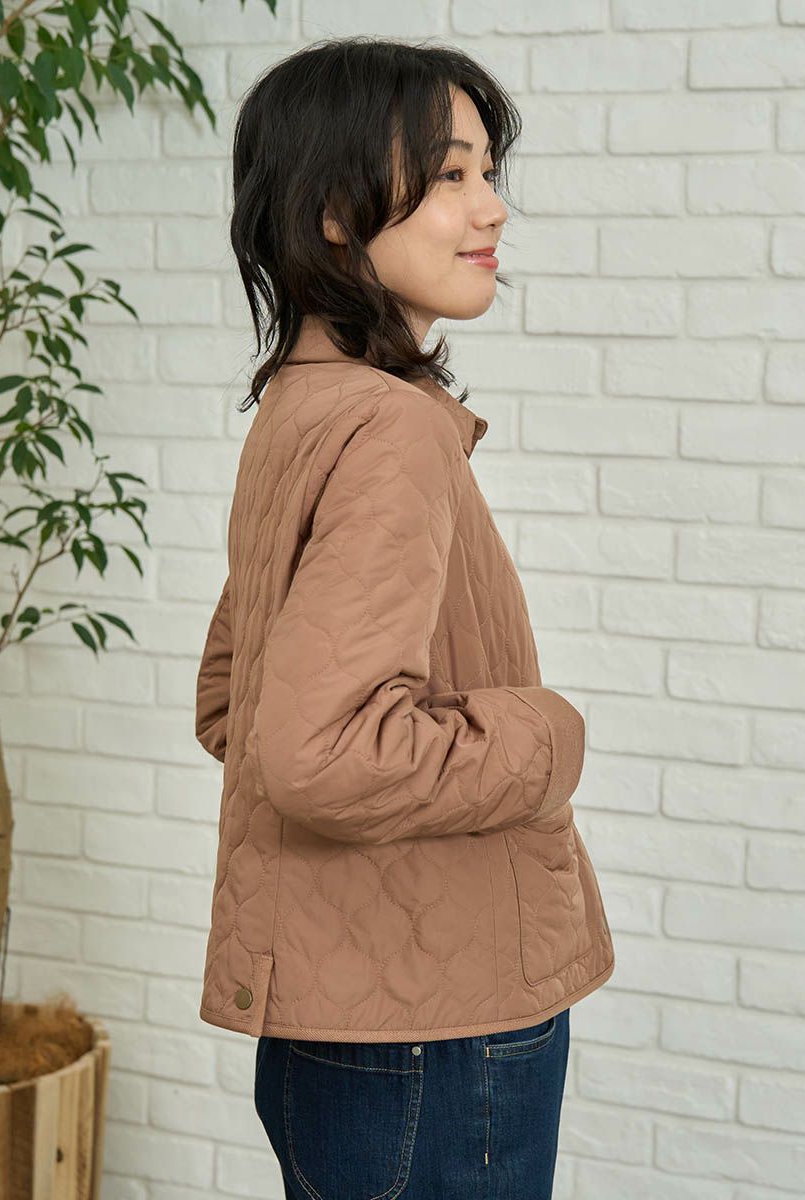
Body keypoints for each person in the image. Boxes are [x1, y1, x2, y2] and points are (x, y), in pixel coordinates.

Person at [195, 35, 615, 1200]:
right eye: (448, 176)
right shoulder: (389, 429)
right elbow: (315, 750)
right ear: (335, 212)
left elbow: (235, 699)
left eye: (488, 172)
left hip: (351, 1032)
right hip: (435, 1039)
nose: (491, 208)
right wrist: (546, 737)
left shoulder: (302, 409)